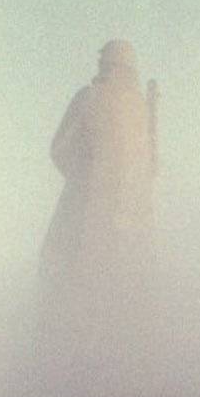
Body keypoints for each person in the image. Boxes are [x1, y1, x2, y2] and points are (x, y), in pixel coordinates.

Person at [40, 39, 157, 305]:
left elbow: (59, 149)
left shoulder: (89, 97)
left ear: (106, 63)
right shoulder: (141, 110)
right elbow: (150, 168)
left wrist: (84, 176)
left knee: (61, 278)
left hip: (83, 217)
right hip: (131, 226)